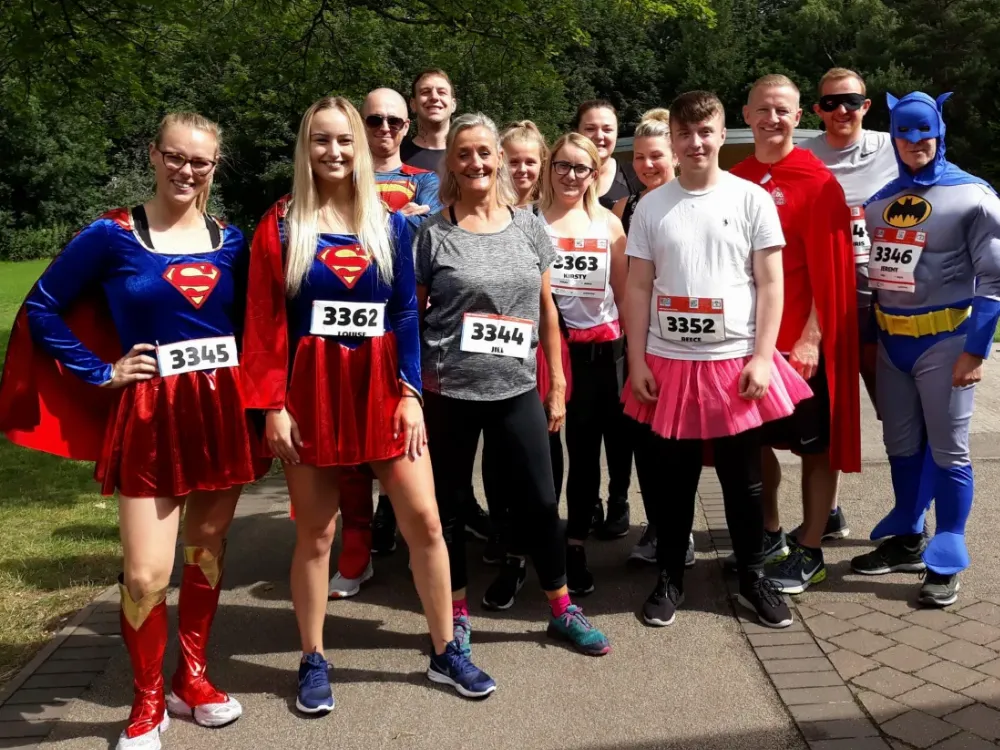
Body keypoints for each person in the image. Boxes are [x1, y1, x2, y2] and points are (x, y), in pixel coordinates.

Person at [0, 112, 267, 750]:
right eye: (175, 156)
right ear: (154, 155)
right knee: (147, 574)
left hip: (222, 415)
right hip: (150, 414)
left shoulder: (234, 241)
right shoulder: (111, 234)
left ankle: (192, 679)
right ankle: (147, 701)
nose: (186, 170)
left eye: (200, 161)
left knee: (206, 552)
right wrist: (100, 370)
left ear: (215, 166)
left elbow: (261, 325)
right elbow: (41, 306)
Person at [241, 96, 495, 712]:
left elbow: (407, 311)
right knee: (317, 534)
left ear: (362, 148)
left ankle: (444, 650)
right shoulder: (280, 224)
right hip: (311, 394)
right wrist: (273, 404)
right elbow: (265, 321)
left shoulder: (392, 222)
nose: (333, 151)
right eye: (321, 140)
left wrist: (411, 392)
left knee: (426, 521)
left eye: (344, 140)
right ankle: (312, 658)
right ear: (306, 148)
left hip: (383, 388)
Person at [415, 111, 610, 655]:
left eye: (484, 152)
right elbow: (416, 314)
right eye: (464, 154)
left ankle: (560, 607)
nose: (476, 162)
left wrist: (556, 385)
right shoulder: (432, 232)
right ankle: (456, 614)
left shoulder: (528, 224)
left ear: (498, 158)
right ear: (451, 162)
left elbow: (547, 309)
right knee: (450, 508)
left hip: (517, 389)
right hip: (449, 391)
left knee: (542, 503)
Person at [622, 90, 807, 629]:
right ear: (673, 141)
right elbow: (638, 288)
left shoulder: (751, 199)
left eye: (706, 132)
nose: (696, 142)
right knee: (670, 480)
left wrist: (764, 357)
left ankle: (753, 575)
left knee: (743, 480)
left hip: (735, 364)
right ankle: (671, 578)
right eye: (686, 134)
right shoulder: (651, 206)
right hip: (667, 362)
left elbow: (770, 283)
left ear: (723, 135)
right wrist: (637, 360)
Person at [853, 91, 1000, 606]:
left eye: (924, 131)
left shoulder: (974, 196)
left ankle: (948, 548)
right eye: (904, 132)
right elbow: (875, 280)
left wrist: (976, 352)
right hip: (893, 345)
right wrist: (871, 344)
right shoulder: (880, 202)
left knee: (949, 450)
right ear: (892, 134)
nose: (914, 141)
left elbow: (994, 281)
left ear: (939, 131)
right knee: (901, 446)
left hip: (948, 342)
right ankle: (909, 537)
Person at [730, 75, 861, 595]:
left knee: (814, 449)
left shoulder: (818, 181)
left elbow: (832, 272)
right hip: (748, 343)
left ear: (799, 115)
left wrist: (811, 339)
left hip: (801, 348)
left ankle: (810, 547)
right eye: (763, 109)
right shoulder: (733, 179)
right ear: (746, 114)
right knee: (752, 445)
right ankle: (769, 532)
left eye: (783, 110)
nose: (772, 119)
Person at [327, 87, 443, 601]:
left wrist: (412, 217)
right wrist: (407, 215)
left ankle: (416, 538)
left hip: (412, 317)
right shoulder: (338, 176)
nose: (385, 130)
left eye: (395, 121)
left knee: (409, 436)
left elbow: (433, 232)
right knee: (348, 447)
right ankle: (357, 543)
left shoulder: (427, 179)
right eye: (374, 120)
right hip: (345, 331)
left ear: (406, 124)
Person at [800, 67, 900, 544]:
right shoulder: (804, 155)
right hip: (829, 312)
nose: (842, 110)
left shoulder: (894, 147)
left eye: (852, 101)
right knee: (829, 420)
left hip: (887, 310)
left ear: (867, 104)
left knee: (899, 420)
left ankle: (910, 524)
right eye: (831, 102)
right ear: (817, 109)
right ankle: (830, 512)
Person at [537, 132, 628, 595]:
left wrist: (638, 358)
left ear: (595, 173)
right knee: (547, 457)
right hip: (546, 354)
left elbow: (626, 295)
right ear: (549, 166)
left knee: (587, 455)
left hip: (597, 355)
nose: (570, 176)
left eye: (581, 168)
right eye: (562, 165)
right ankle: (542, 543)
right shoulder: (531, 220)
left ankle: (576, 544)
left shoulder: (608, 225)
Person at [611, 107, 688, 567]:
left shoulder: (690, 198)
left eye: (655, 155)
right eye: (638, 157)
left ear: (675, 155)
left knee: (677, 445)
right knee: (647, 441)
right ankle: (658, 526)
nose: (646, 165)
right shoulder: (631, 205)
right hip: (640, 339)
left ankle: (679, 534)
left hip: (684, 340)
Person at [571, 100, 640, 537]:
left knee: (619, 427)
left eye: (608, 129)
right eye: (591, 128)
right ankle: (587, 503)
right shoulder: (566, 176)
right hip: (572, 335)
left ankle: (619, 498)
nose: (600, 136)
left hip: (616, 329)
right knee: (580, 428)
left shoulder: (635, 181)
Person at [400, 68, 457, 172]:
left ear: (453, 105)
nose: (434, 97)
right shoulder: (396, 156)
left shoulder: (470, 155)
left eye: (442, 92)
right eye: (425, 92)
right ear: (413, 104)